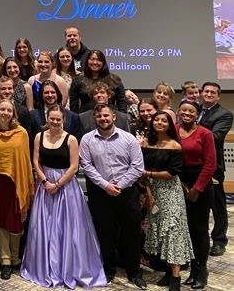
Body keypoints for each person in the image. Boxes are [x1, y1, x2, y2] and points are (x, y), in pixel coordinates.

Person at [21, 106, 107, 289]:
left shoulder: (71, 139)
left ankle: (68, 269)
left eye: (58, 119)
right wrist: (45, 182)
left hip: (66, 188)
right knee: (43, 229)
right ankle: (45, 268)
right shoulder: (39, 136)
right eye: (52, 119)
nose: (54, 122)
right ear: (47, 118)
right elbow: (35, 161)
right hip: (45, 187)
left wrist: (57, 184)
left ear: (64, 119)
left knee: (67, 230)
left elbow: (74, 167)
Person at [79, 104, 146, 289]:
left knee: (131, 234)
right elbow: (87, 166)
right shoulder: (87, 139)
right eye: (99, 116)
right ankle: (108, 270)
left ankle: (134, 272)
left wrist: (120, 185)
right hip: (101, 194)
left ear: (114, 117)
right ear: (95, 118)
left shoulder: (128, 138)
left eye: (106, 115)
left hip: (127, 193)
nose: (103, 118)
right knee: (105, 234)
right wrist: (106, 185)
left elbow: (137, 167)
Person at [141, 111, 193, 291]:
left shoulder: (175, 146)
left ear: (170, 125)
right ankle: (167, 272)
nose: (160, 122)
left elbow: (172, 173)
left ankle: (176, 278)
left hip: (171, 192)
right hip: (153, 190)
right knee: (159, 231)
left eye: (164, 120)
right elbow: (142, 171)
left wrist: (148, 174)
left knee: (173, 231)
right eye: (157, 120)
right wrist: (148, 193)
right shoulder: (145, 143)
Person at [0, 99, 33, 280]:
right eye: (2, 109)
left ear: (13, 113)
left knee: (15, 221)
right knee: (0, 221)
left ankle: (15, 258)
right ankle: (5, 261)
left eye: (9, 110)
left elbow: (26, 160)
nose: (5, 113)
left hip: (16, 182)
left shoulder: (22, 133)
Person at [176, 100, 216, 290]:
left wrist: (196, 189)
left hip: (199, 183)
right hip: (178, 181)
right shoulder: (174, 130)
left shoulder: (205, 133)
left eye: (191, 111)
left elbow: (210, 164)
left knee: (199, 230)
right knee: (185, 229)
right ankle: (191, 269)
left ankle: (201, 271)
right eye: (183, 110)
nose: (186, 113)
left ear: (197, 114)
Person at [197, 81, 232, 256]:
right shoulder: (193, 110)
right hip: (191, 165)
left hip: (213, 166)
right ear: (201, 93)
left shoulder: (225, 114)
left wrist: (191, 134)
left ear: (218, 96)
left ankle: (219, 240)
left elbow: (216, 137)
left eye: (213, 92)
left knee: (217, 204)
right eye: (206, 91)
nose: (209, 94)